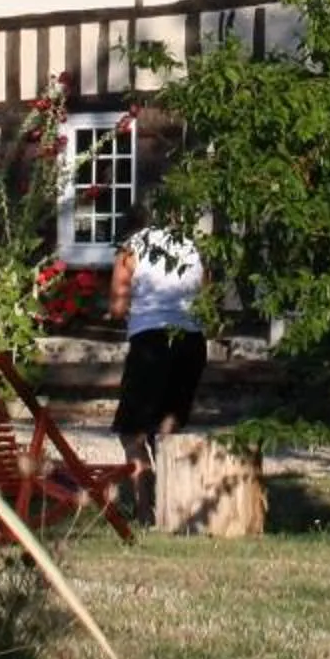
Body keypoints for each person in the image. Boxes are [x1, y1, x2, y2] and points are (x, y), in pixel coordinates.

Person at [108, 215, 207, 522]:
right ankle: (173, 509)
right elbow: (206, 299)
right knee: (168, 432)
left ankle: (143, 510)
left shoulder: (130, 250)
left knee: (132, 432)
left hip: (151, 342)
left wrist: (115, 312)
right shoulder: (195, 248)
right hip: (191, 343)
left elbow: (118, 306)